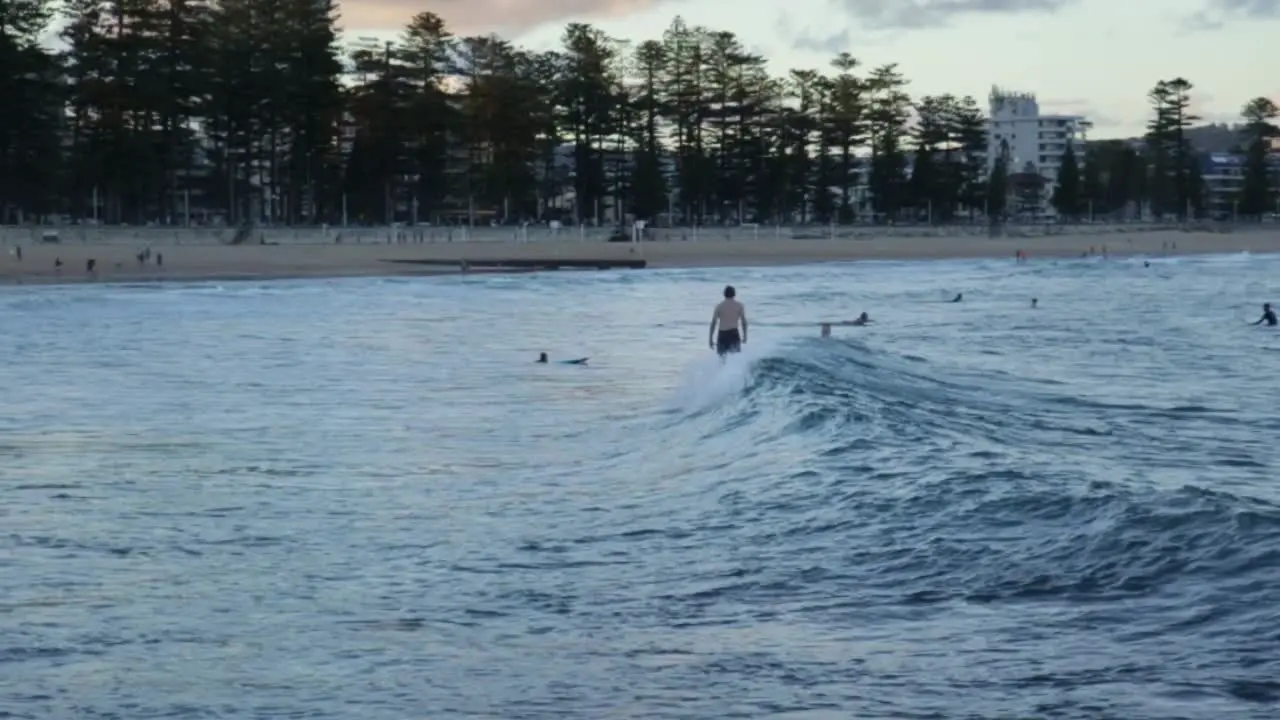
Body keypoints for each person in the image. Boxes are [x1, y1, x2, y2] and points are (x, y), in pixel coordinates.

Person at [709, 285, 747, 356]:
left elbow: (713, 323)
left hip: (722, 334)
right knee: (735, 357)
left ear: (724, 294)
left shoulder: (719, 306)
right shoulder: (739, 305)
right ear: (734, 294)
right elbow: (744, 322)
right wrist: (745, 336)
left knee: (722, 358)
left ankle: (723, 368)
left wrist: (710, 339)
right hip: (734, 333)